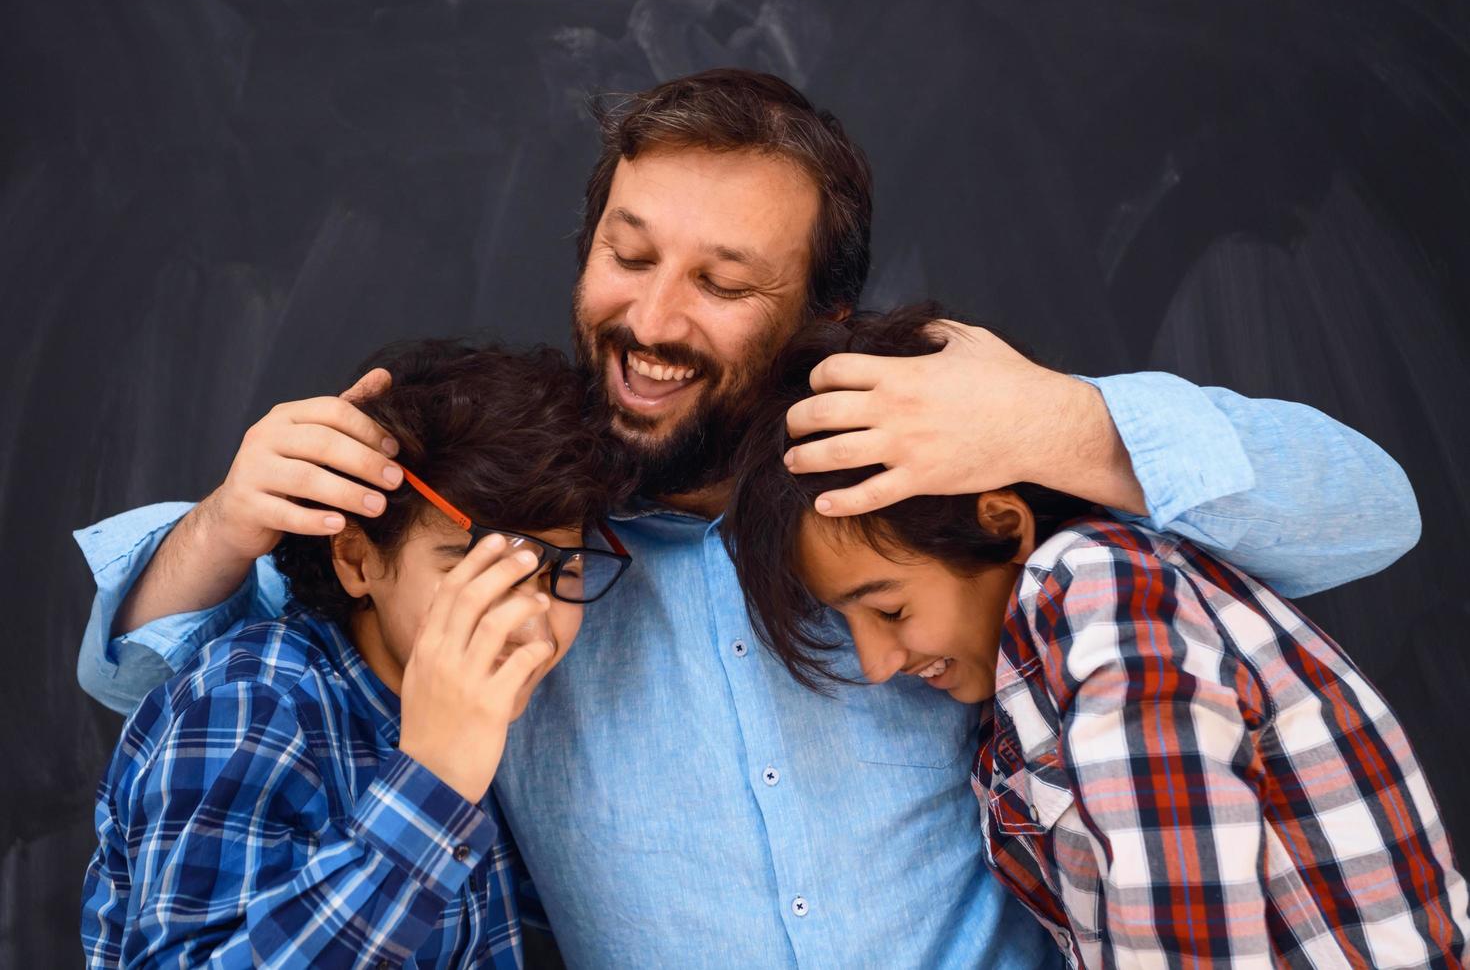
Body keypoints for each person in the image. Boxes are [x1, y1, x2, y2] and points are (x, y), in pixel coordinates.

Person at [74, 70, 1423, 968]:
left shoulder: (946, 480)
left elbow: (1371, 515)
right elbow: (150, 670)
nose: (652, 322)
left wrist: (1060, 420)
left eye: (723, 281)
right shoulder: (516, 550)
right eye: (629, 253)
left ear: (817, 318)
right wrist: (226, 520)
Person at [724, 304, 1469, 967]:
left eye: (887, 610)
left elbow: (1187, 933)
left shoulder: (1089, 590)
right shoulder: (1020, 695)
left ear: (1002, 524)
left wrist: (1059, 418)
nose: (878, 663)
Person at [80, 340, 632, 968]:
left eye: (563, 570)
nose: (529, 621)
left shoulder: (499, 713)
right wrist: (435, 784)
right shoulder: (253, 705)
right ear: (356, 557)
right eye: (478, 569)